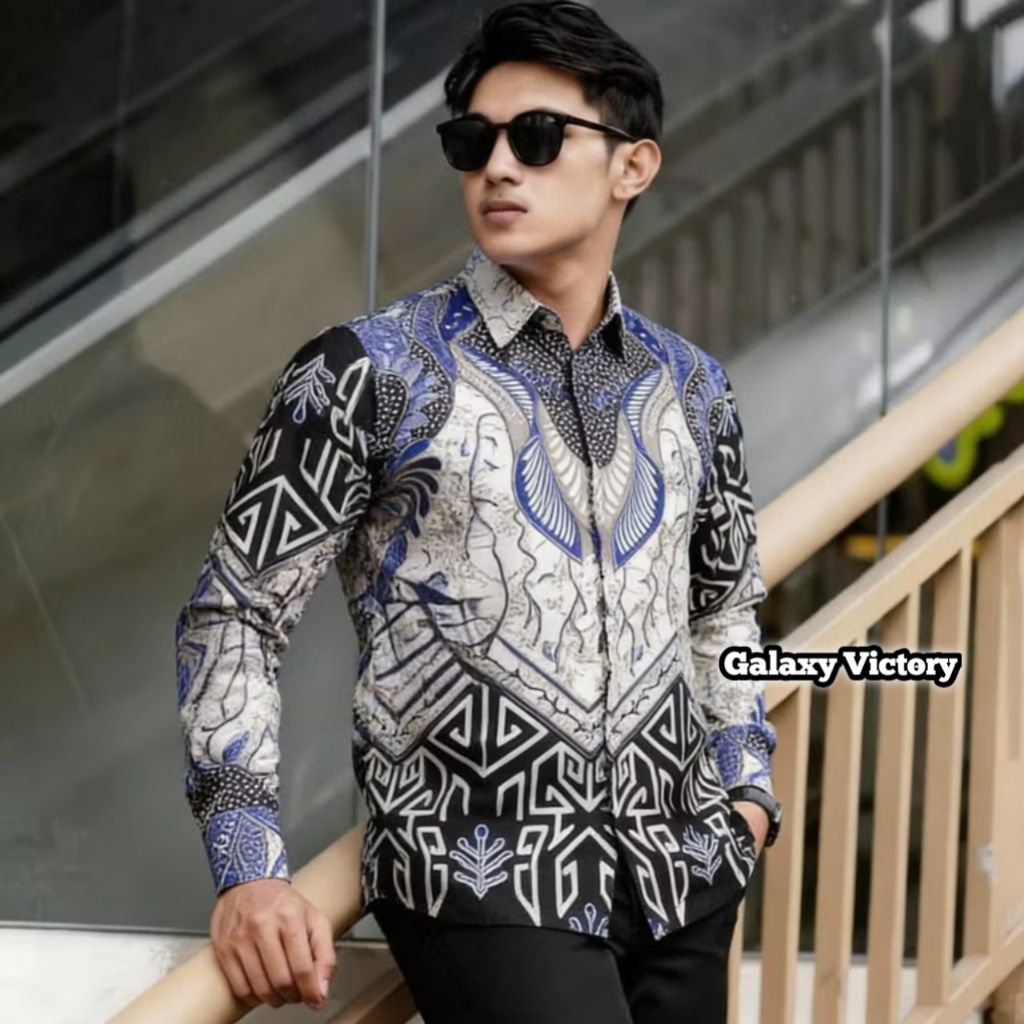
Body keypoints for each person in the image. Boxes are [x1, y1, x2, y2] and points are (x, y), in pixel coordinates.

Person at [174, 2, 783, 1019]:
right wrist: (249, 865)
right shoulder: (367, 372)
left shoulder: (692, 386)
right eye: (473, 141)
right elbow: (233, 614)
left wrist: (747, 793)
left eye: (537, 137)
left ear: (632, 166)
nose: (498, 166)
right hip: (482, 879)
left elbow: (722, 609)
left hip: (687, 876)